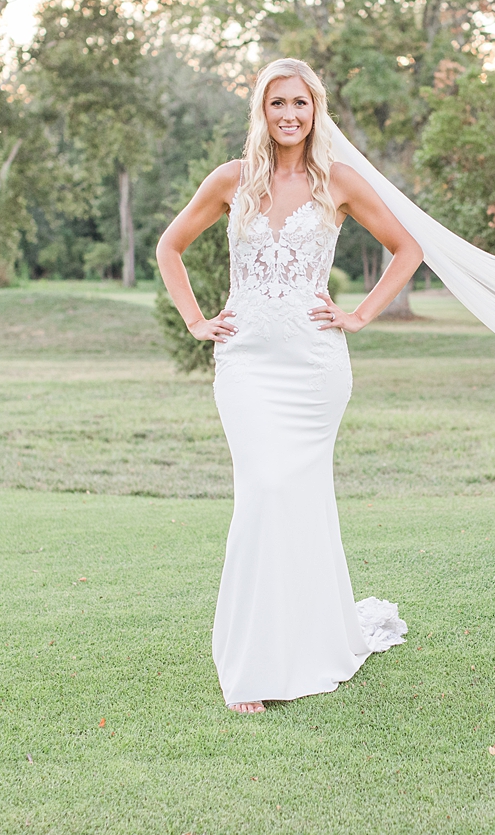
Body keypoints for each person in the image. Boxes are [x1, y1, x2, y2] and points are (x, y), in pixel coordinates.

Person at [156, 58, 423, 714]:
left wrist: (358, 313)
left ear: (315, 109)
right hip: (246, 363)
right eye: (277, 103)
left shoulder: (338, 182)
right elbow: (170, 247)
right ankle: (251, 663)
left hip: (313, 368)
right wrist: (195, 318)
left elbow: (408, 248)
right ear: (262, 111)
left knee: (298, 500)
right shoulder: (231, 181)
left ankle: (309, 642)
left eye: (300, 103)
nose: (289, 115)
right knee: (262, 494)